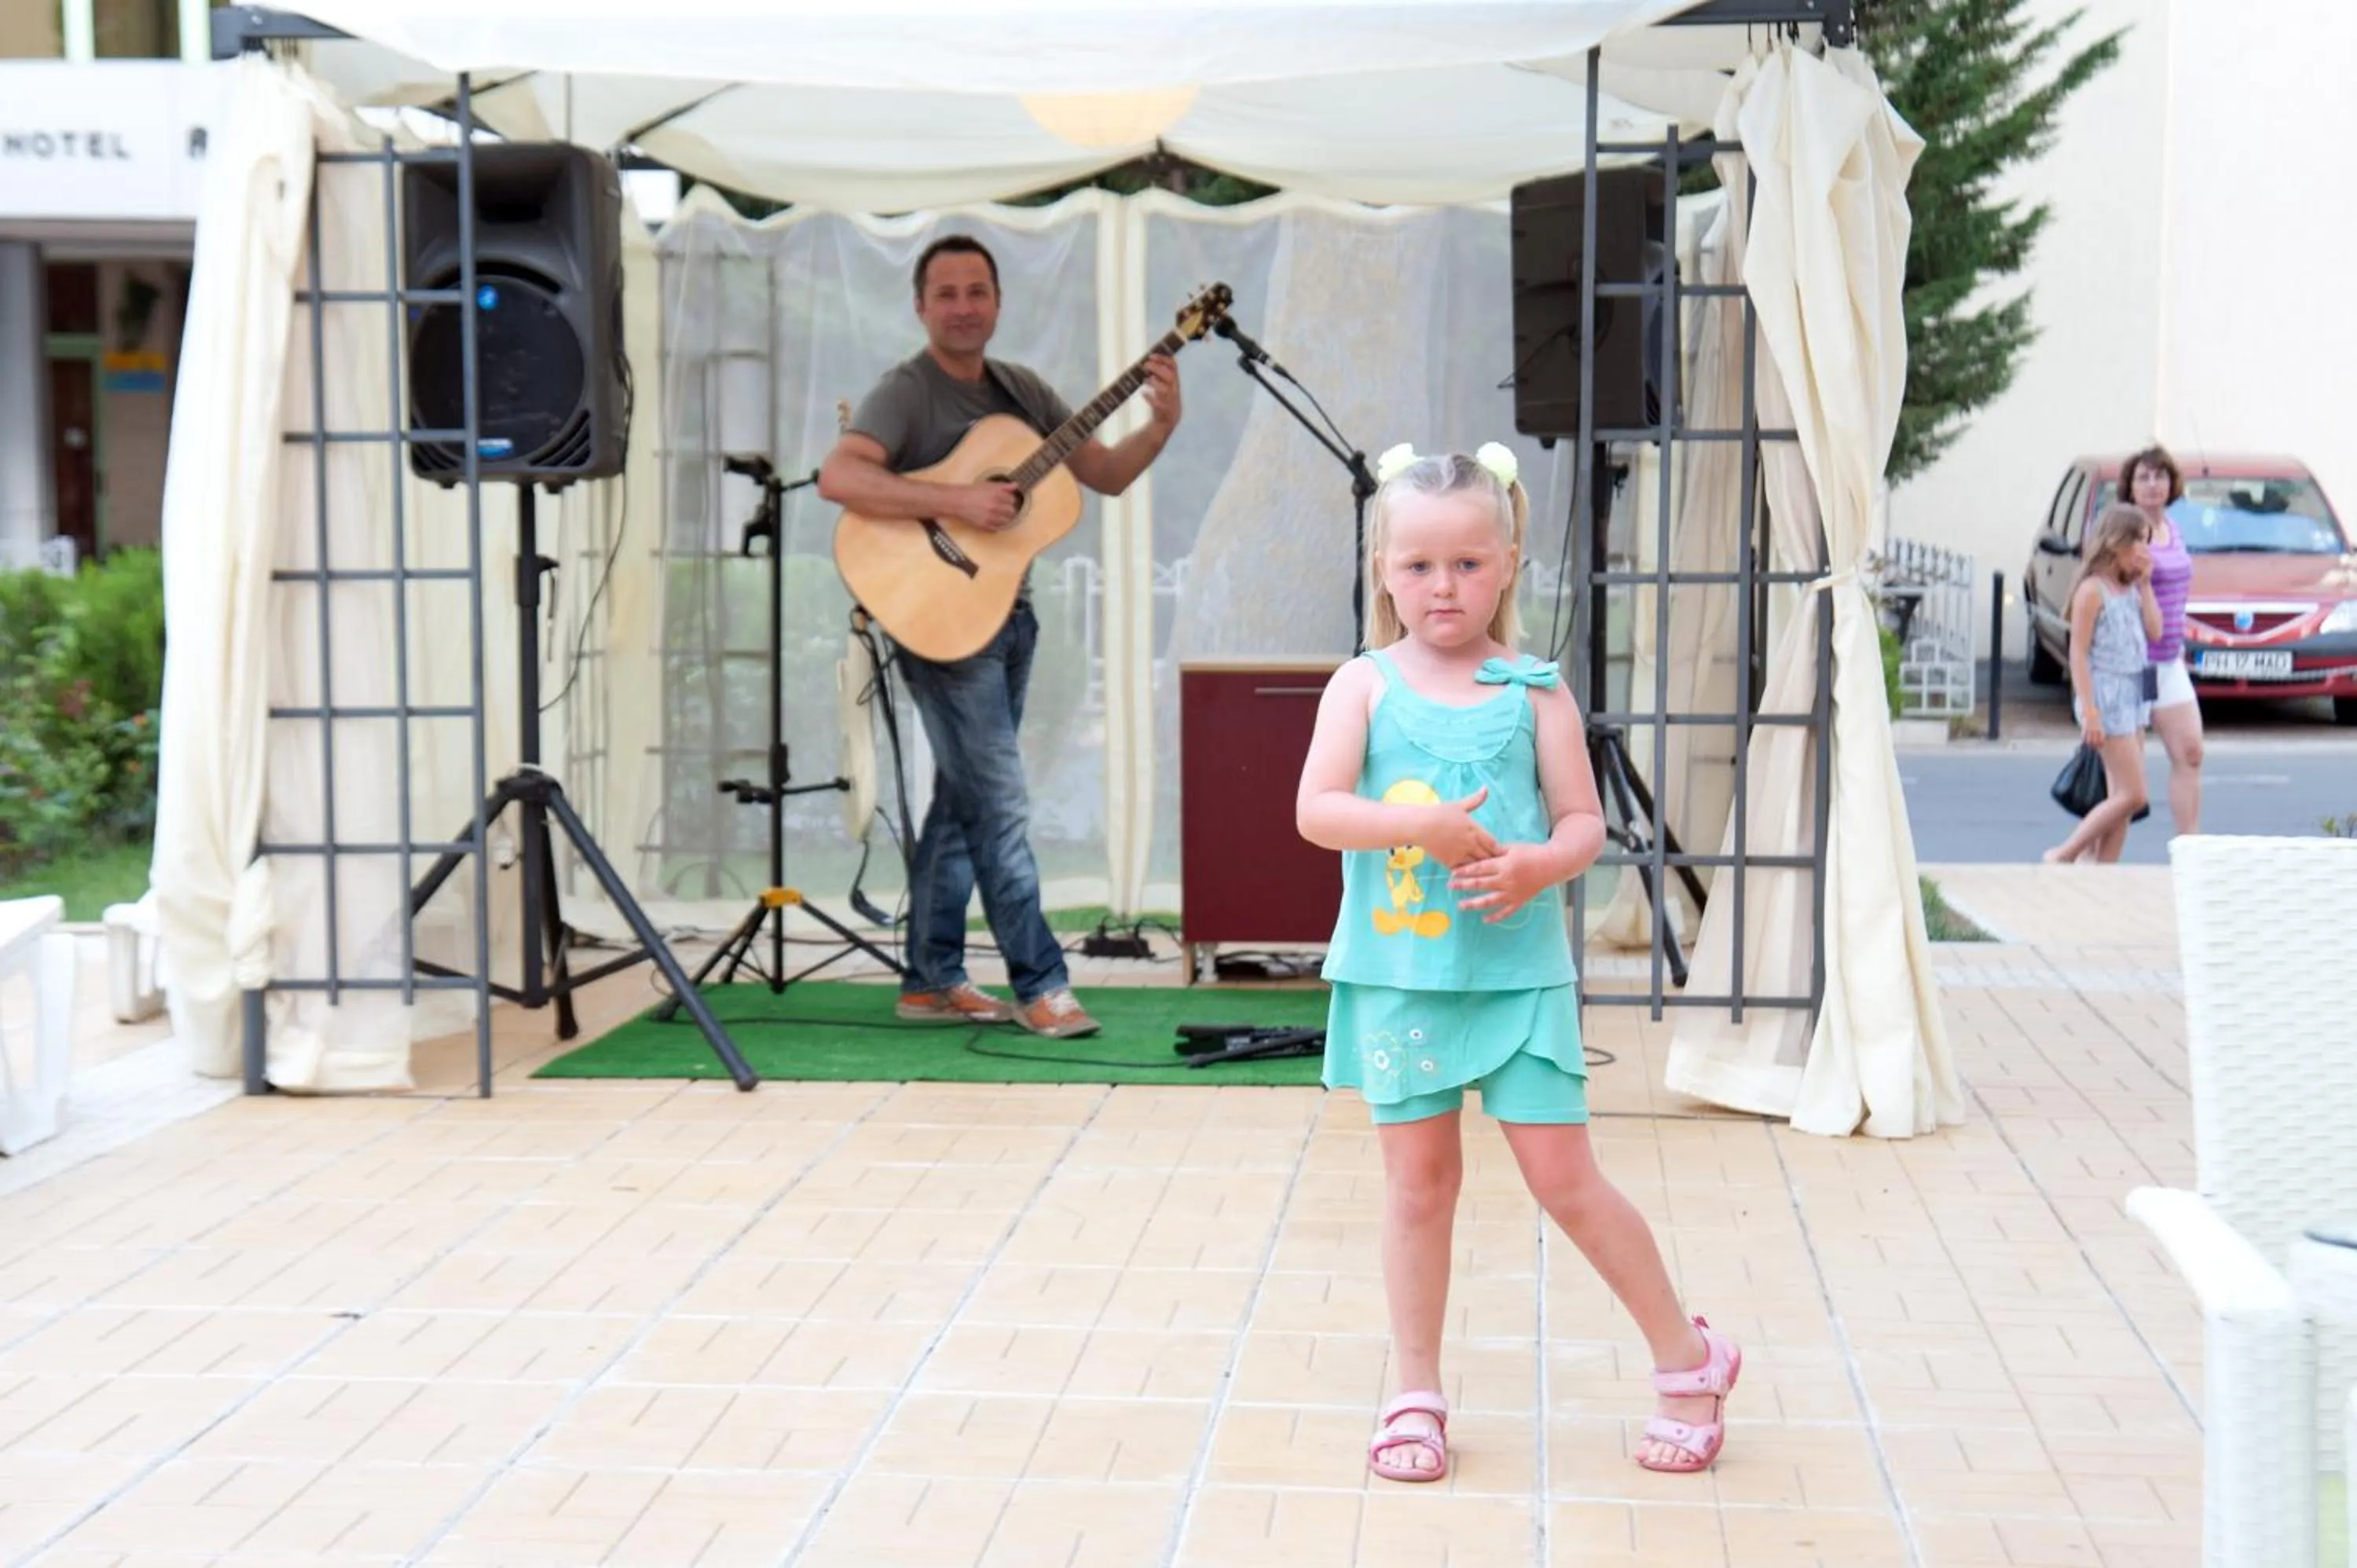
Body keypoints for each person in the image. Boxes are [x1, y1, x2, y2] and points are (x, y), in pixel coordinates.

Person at [1295, 442, 1739, 1483]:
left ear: (1508, 562)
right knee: (1418, 1185)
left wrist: (1538, 863)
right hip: (1403, 980)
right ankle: (1415, 1393)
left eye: (1466, 564)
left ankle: (1690, 1358)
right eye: (1417, 566)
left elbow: (1583, 822)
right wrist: (1424, 831)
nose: (1441, 587)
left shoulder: (1535, 691)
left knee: (1565, 1179)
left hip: (1519, 981)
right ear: (1382, 571)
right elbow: (1317, 811)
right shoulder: (1361, 687)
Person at [817, 235, 1182, 1039]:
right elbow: (839, 477)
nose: (962, 306)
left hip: (1003, 612)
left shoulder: (1023, 391)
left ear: (997, 302)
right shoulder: (905, 393)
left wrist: (1159, 425)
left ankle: (929, 978)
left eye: (977, 291)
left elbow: (1106, 474)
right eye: (945, 293)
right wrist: (956, 500)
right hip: (939, 620)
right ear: (921, 306)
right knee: (1003, 804)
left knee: (962, 802)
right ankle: (1039, 981)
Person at [2046, 505, 2162, 865]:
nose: (2146, 551)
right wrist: (2091, 713)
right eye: (2140, 542)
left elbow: (2155, 631)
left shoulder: (2128, 589)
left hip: (2134, 696)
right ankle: (2065, 854)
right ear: (2117, 543)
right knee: (2134, 794)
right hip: (2106, 697)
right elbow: (2078, 654)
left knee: (2120, 798)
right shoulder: (2093, 591)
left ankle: (2103, 870)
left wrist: (2145, 584)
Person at [2123, 444, 2204, 833]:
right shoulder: (2127, 533)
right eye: (2144, 477)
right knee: (2128, 776)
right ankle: (2095, 863)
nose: (2153, 485)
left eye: (2160, 476)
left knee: (2190, 753)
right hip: (2136, 665)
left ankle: (2189, 850)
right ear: (2131, 487)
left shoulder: (2174, 530)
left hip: (2170, 660)